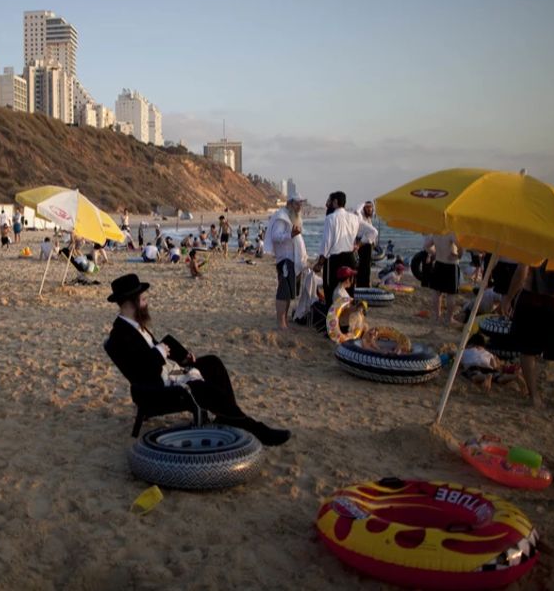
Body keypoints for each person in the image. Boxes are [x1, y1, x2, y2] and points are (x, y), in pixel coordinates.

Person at [104, 274, 290, 446]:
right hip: (156, 389)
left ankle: (227, 414)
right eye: (143, 300)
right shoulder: (120, 335)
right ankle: (258, 430)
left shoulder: (135, 325)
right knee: (203, 389)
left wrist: (181, 357)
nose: (147, 303)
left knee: (212, 363)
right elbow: (142, 371)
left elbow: (150, 354)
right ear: (130, 303)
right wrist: (159, 351)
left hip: (169, 373)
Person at [502, 261, 554, 408]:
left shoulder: (538, 238)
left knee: (528, 350)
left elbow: (523, 269)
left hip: (531, 297)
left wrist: (508, 298)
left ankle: (534, 397)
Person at [315, 191, 377, 304]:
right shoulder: (354, 218)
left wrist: (320, 263)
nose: (327, 204)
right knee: (348, 290)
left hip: (334, 260)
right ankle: (347, 316)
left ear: (335, 202)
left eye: (329, 201)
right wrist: (359, 244)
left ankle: (332, 318)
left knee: (331, 289)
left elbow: (326, 243)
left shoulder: (330, 218)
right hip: (349, 258)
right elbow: (373, 232)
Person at [264, 189, 306, 329]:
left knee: (288, 292)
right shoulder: (281, 216)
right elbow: (275, 236)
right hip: (285, 259)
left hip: (292, 259)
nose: (299, 207)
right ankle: (281, 322)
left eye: (301, 204)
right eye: (297, 204)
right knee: (283, 291)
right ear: (290, 204)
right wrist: (290, 235)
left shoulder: (292, 216)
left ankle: (284, 321)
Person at [460, 334, 528, 394]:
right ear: (483, 346)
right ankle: (515, 377)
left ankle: (486, 376)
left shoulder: (464, 351)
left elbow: (458, 361)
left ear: (470, 344)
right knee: (500, 378)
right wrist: (497, 366)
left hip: (475, 366)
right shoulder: (488, 353)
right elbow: (495, 366)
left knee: (474, 377)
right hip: (489, 368)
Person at [424, 233, 461, 324]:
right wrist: (457, 256)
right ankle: (449, 319)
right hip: (451, 265)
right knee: (451, 293)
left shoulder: (437, 232)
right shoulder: (451, 233)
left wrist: (435, 252)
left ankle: (437, 316)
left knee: (436, 291)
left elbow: (426, 246)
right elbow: (460, 247)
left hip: (439, 263)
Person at [356, 201, 378, 288]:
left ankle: (365, 284)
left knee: (367, 266)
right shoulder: (361, 218)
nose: (369, 209)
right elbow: (369, 233)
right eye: (367, 207)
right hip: (363, 245)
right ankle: (362, 285)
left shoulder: (369, 219)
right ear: (364, 208)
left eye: (370, 207)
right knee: (363, 267)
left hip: (368, 245)